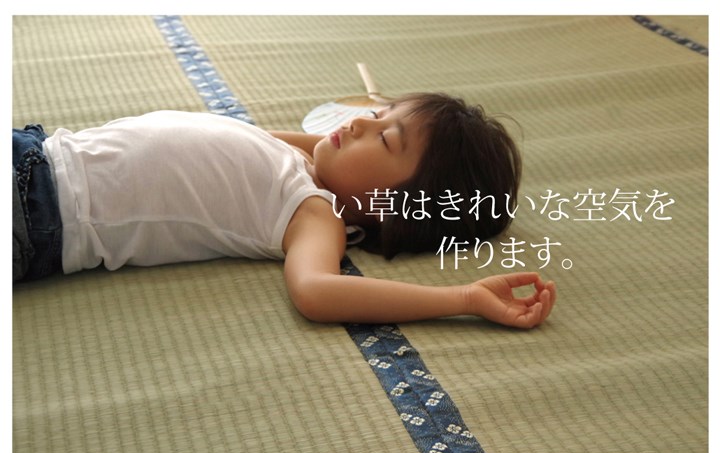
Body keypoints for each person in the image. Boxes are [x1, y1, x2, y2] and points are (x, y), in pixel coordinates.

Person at [12, 92, 556, 328]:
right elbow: (328, 140)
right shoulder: (308, 161)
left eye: (386, 139)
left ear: (389, 209)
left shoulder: (313, 214)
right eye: (378, 114)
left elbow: (317, 291)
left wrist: (462, 298)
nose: (358, 123)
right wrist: (379, 129)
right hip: (38, 151)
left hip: (39, 213)